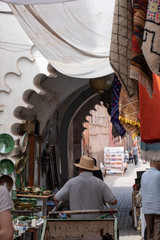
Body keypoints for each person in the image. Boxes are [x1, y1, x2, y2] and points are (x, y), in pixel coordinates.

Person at [141, 160, 160, 240]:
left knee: (150, 232)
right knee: (157, 232)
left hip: (147, 209)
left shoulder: (144, 175)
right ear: (158, 163)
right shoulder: (159, 175)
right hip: (157, 209)